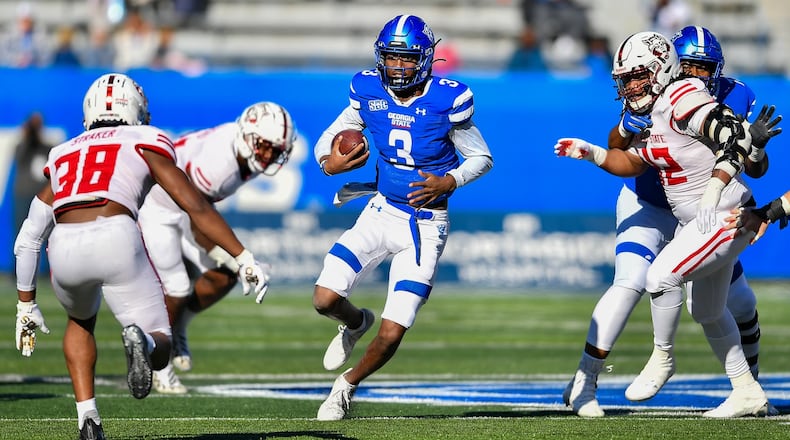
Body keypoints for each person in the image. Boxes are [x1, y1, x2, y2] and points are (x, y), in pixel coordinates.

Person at [12, 73, 270, 440]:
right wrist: (242, 256)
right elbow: (194, 204)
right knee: (159, 341)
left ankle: (88, 418)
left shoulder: (63, 152)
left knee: (79, 323)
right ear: (135, 109)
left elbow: (28, 237)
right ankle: (143, 342)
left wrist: (26, 304)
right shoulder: (144, 138)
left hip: (64, 246)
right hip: (115, 234)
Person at [554, 30, 780, 418]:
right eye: (626, 79)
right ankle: (747, 390)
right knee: (703, 309)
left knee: (667, 280)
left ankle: (664, 358)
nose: (694, 73)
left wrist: (722, 180)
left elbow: (735, 144)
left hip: (717, 213)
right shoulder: (655, 102)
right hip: (670, 209)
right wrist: (593, 151)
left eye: (701, 67)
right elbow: (632, 156)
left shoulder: (686, 95)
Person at [312, 14, 493, 421]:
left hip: (425, 225)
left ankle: (346, 386)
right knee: (324, 299)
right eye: (391, 57)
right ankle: (355, 323)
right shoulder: (368, 90)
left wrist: (450, 180)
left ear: (425, 59)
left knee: (394, 329)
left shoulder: (446, 100)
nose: (397, 66)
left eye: (406, 58)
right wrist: (329, 163)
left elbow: (482, 157)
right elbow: (329, 138)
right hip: (381, 210)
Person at [137, 101, 294, 394]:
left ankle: (178, 326)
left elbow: (198, 210)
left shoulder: (244, 151)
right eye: (264, 146)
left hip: (184, 207)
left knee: (225, 276)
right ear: (248, 136)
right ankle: (159, 364)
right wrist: (242, 259)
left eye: (276, 150)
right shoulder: (220, 163)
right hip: (158, 205)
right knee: (178, 287)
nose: (268, 155)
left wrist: (239, 263)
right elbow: (199, 215)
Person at [13, 112, 53, 232]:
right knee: (21, 232)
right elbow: (20, 157)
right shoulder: (21, 147)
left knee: (44, 232)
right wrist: (28, 137)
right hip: (23, 196)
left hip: (42, 198)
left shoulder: (48, 149)